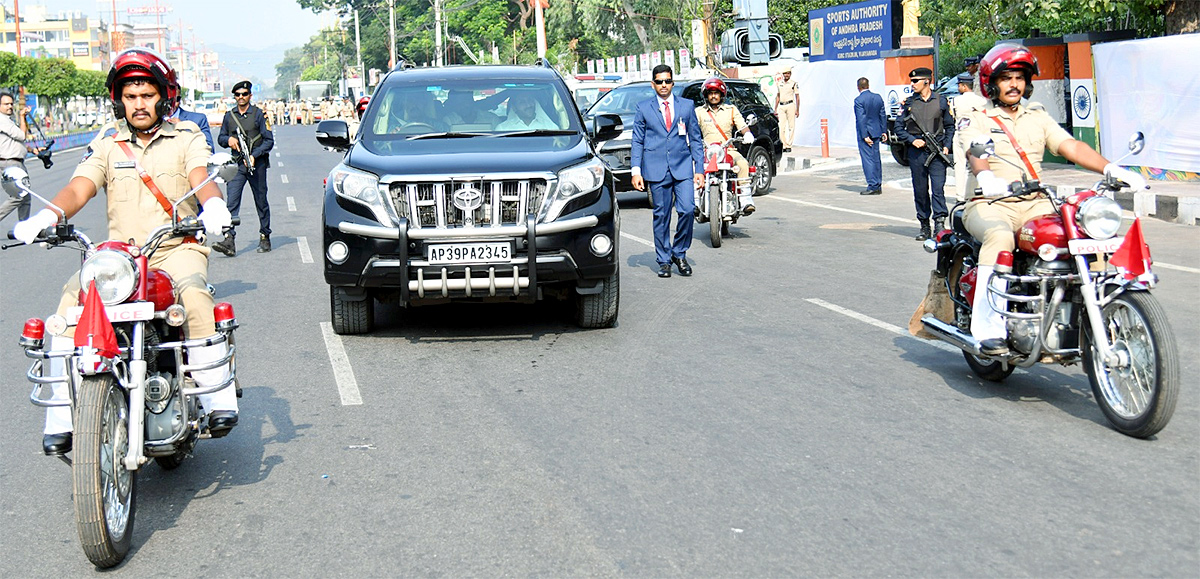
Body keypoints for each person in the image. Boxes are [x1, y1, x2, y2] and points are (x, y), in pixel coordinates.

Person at [12, 48, 238, 454]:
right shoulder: (107, 143)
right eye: (130, 96)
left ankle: (216, 398)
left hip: (173, 247)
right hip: (120, 259)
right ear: (119, 99)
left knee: (195, 295)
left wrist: (214, 205)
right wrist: (45, 217)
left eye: (146, 95)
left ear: (163, 97)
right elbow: (79, 187)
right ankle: (63, 417)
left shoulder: (186, 136)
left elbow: (201, 175)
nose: (138, 104)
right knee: (66, 311)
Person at [959, 43, 1146, 356]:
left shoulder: (1038, 117)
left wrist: (1112, 168)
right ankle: (988, 328)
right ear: (992, 82)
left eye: (1019, 77)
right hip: (989, 203)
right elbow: (976, 149)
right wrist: (986, 177)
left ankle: (1095, 314)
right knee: (1000, 236)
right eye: (1006, 78)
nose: (1014, 84)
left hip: (1035, 202)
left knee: (1078, 236)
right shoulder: (977, 116)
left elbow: (1069, 146)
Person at [630, 64, 705, 278]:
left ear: (673, 83)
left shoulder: (686, 106)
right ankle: (664, 260)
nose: (664, 85)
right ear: (653, 84)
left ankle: (679, 253)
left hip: (682, 168)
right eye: (660, 81)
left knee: (688, 209)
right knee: (661, 215)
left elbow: (696, 140)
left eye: (668, 81)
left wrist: (699, 169)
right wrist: (636, 171)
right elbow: (637, 141)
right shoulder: (644, 108)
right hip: (656, 169)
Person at [215, 80, 275, 255]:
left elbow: (269, 141)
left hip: (257, 164)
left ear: (250, 95)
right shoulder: (229, 116)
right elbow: (221, 138)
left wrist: (254, 155)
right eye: (237, 95)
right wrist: (229, 140)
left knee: (261, 201)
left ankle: (265, 236)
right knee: (231, 202)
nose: (241, 97)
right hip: (237, 165)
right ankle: (229, 239)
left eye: (244, 94)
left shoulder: (258, 114)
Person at [894, 67, 954, 240]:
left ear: (926, 81)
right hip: (917, 153)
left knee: (938, 190)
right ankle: (924, 225)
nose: (912, 84)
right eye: (911, 81)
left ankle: (940, 225)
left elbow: (950, 126)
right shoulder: (908, 104)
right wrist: (912, 140)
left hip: (937, 152)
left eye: (915, 81)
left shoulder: (942, 101)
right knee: (920, 190)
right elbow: (898, 128)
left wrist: (947, 146)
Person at [695, 77, 756, 215]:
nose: (713, 96)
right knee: (693, 167)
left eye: (716, 93)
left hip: (727, 150)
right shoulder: (699, 112)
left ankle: (746, 199)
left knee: (743, 164)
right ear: (706, 95)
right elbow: (691, 127)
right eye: (710, 93)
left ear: (722, 94)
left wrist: (747, 134)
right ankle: (696, 201)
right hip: (706, 151)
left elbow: (742, 125)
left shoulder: (731, 110)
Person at [0, 91, 45, 224]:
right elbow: (21, 136)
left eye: (11, 104)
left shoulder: (7, 120)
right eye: (5, 104)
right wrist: (21, 116)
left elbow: (14, 143)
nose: (9, 106)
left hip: (16, 162)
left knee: (26, 197)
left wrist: (33, 150)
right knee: (19, 196)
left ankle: (23, 227)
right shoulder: (2, 120)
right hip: (10, 163)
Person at [950, 72, 988, 201]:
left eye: (960, 85)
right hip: (976, 133)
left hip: (959, 132)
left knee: (959, 165)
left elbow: (953, 115)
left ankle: (960, 195)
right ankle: (978, 191)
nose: (958, 88)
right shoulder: (981, 100)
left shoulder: (956, 100)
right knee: (977, 164)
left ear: (964, 86)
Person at [853, 77, 887, 196]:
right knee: (876, 159)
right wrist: (884, 131)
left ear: (858, 87)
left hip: (866, 133)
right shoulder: (877, 97)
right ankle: (878, 183)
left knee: (867, 159)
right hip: (877, 131)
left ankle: (872, 185)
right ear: (868, 85)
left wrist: (864, 135)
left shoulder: (858, 100)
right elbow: (882, 114)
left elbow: (861, 118)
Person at [774, 67, 799, 152]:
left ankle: (789, 145)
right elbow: (778, 96)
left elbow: (797, 97)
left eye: (788, 73)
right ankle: (784, 145)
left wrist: (797, 109)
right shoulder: (779, 83)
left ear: (790, 74)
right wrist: (775, 108)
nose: (786, 75)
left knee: (791, 126)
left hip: (790, 105)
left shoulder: (793, 83)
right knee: (781, 126)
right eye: (785, 73)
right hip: (781, 106)